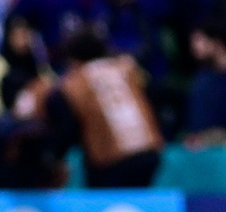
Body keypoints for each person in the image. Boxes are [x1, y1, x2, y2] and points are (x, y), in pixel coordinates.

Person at [53, 29, 164, 187]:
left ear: (73, 58)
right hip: (149, 150)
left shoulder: (75, 83)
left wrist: (56, 157)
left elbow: (68, 128)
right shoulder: (126, 69)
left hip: (111, 158)